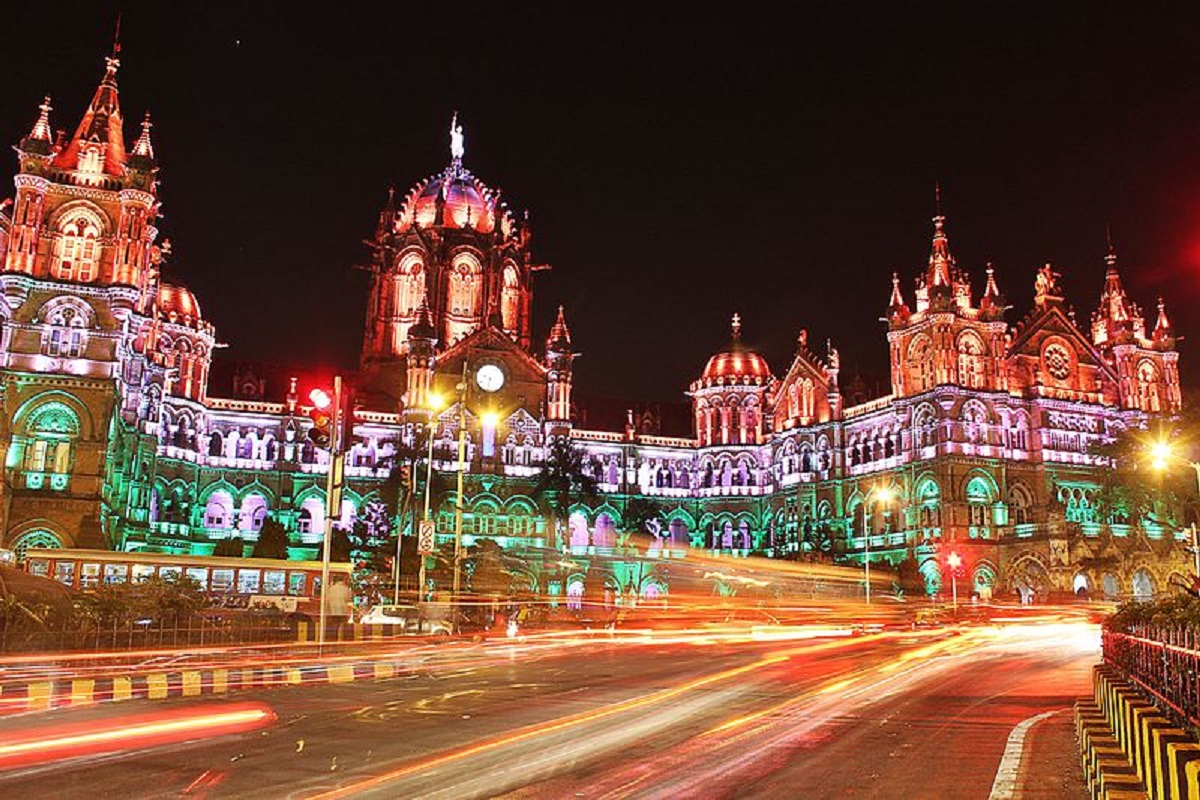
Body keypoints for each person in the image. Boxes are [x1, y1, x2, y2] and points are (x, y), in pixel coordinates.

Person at [324, 575, 352, 639]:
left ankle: (333, 638)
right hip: (342, 611)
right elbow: (348, 599)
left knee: (334, 626)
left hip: (333, 611)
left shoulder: (330, 589)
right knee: (343, 626)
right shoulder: (345, 589)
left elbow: (327, 600)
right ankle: (342, 638)